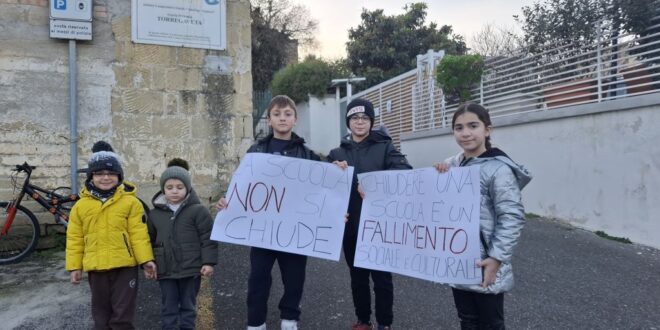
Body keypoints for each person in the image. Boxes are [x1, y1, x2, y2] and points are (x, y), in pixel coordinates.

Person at [216, 95, 321, 330]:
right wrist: (227, 199)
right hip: (263, 231)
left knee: (294, 278)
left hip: (294, 231)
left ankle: (290, 319)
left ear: (295, 119)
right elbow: (242, 183)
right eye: (277, 114)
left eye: (287, 114)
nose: (282, 118)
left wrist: (338, 173)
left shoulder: (307, 154)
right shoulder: (256, 151)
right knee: (258, 278)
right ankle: (256, 321)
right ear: (270, 120)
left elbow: (325, 188)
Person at [434, 103, 532, 330]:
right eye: (459, 128)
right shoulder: (451, 165)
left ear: (487, 130)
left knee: (491, 323)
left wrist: (496, 258)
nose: (465, 133)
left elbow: (512, 217)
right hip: (459, 259)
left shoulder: (499, 170)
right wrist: (437, 174)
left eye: (473, 125)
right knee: (467, 320)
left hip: (486, 262)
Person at [327, 98, 412, 330]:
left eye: (365, 118)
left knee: (383, 280)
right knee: (357, 278)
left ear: (371, 122)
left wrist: (376, 186)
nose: (360, 122)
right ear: (348, 122)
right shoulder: (337, 152)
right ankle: (363, 320)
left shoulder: (385, 147)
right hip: (351, 226)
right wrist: (333, 170)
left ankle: (385, 323)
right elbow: (323, 187)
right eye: (355, 118)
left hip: (380, 227)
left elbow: (404, 172)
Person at [66, 140, 157, 330]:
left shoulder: (131, 203)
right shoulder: (81, 206)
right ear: (91, 176)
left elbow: (138, 234)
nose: (105, 177)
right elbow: (75, 238)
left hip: (125, 267)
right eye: (99, 173)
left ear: (119, 176)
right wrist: (75, 266)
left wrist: (146, 260)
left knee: (122, 315)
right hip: (96, 268)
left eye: (110, 173)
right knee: (100, 315)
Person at [147, 158, 218, 330]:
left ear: (187, 188)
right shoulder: (155, 214)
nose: (174, 191)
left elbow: (208, 237)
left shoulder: (198, 211)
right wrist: (148, 264)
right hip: (165, 270)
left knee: (188, 306)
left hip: (191, 269)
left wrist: (208, 262)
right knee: (168, 307)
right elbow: (148, 240)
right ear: (163, 189)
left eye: (180, 187)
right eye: (169, 188)